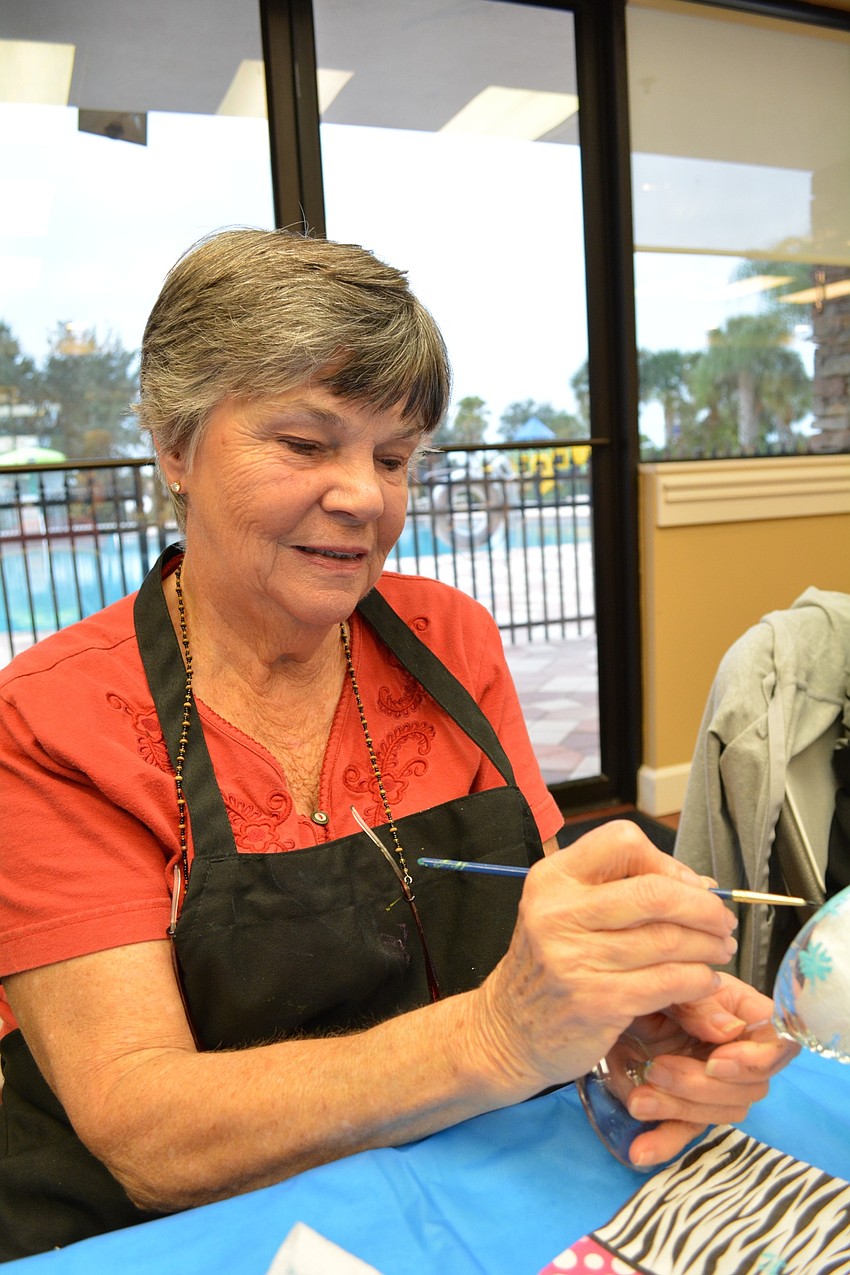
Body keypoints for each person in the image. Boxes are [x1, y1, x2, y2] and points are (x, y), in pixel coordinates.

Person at [0, 229, 795, 1261]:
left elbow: (547, 933)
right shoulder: (52, 719)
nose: (365, 497)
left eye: (393, 456)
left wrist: (625, 1019)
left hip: (449, 1168)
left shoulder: (445, 639)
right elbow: (145, 1130)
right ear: (174, 446)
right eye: (305, 443)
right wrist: (497, 1037)